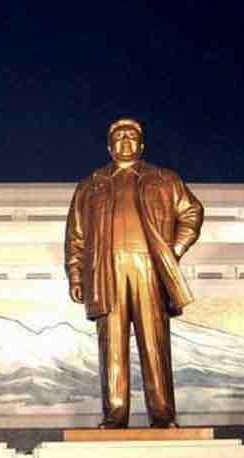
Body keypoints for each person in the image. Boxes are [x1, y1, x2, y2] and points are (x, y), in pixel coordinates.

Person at [64, 118, 203, 428]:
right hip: (107, 271)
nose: (125, 141)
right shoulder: (92, 184)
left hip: (148, 269)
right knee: (112, 345)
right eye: (118, 136)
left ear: (142, 145)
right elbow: (76, 235)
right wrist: (76, 275)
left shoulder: (163, 179)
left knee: (154, 344)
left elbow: (191, 212)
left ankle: (163, 415)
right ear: (108, 145)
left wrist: (173, 251)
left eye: (131, 137)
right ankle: (114, 416)